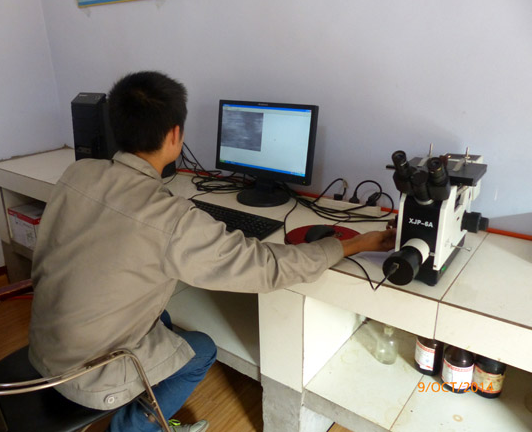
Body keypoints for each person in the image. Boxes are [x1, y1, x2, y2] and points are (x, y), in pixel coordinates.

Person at [28, 71, 396, 432]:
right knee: (202, 349)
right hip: (88, 376)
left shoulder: (77, 174)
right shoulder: (170, 218)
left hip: (44, 346)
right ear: (175, 135)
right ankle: (131, 428)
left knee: (164, 319)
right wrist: (352, 244)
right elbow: (265, 267)